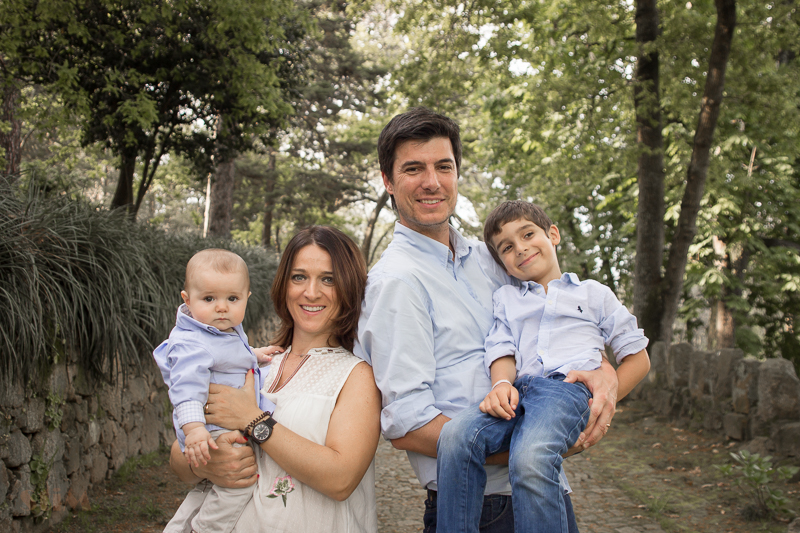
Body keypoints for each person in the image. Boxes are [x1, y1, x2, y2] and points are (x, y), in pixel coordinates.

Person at [354, 107, 621, 533]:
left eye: (444, 166)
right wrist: (534, 450)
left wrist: (604, 371)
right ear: (388, 181)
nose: (432, 182)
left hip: (546, 492)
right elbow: (407, 425)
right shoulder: (395, 283)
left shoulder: (490, 257)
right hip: (482, 507)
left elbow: (555, 323)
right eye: (413, 169)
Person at [435, 200, 651, 533]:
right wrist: (501, 385)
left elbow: (638, 358)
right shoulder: (507, 299)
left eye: (527, 235)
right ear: (503, 264)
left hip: (567, 391)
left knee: (530, 458)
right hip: (520, 394)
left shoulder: (594, 294)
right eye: (507, 247)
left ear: (553, 235)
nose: (520, 248)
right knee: (455, 436)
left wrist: (606, 397)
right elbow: (502, 349)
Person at [168, 226, 381, 533]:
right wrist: (209, 463)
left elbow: (341, 480)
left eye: (329, 279)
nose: (311, 292)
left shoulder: (357, 376)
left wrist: (253, 420)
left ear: (349, 287)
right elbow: (180, 457)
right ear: (283, 284)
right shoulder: (250, 364)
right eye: (299, 277)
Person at [154, 248, 276, 533]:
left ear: (246, 297)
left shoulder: (217, 330)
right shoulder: (191, 344)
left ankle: (181, 527)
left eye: (232, 299)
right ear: (187, 299)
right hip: (210, 429)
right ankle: (207, 528)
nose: (222, 307)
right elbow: (186, 389)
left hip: (217, 425)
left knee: (210, 486)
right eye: (209, 299)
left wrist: (254, 354)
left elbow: (225, 357)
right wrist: (195, 430)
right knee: (238, 484)